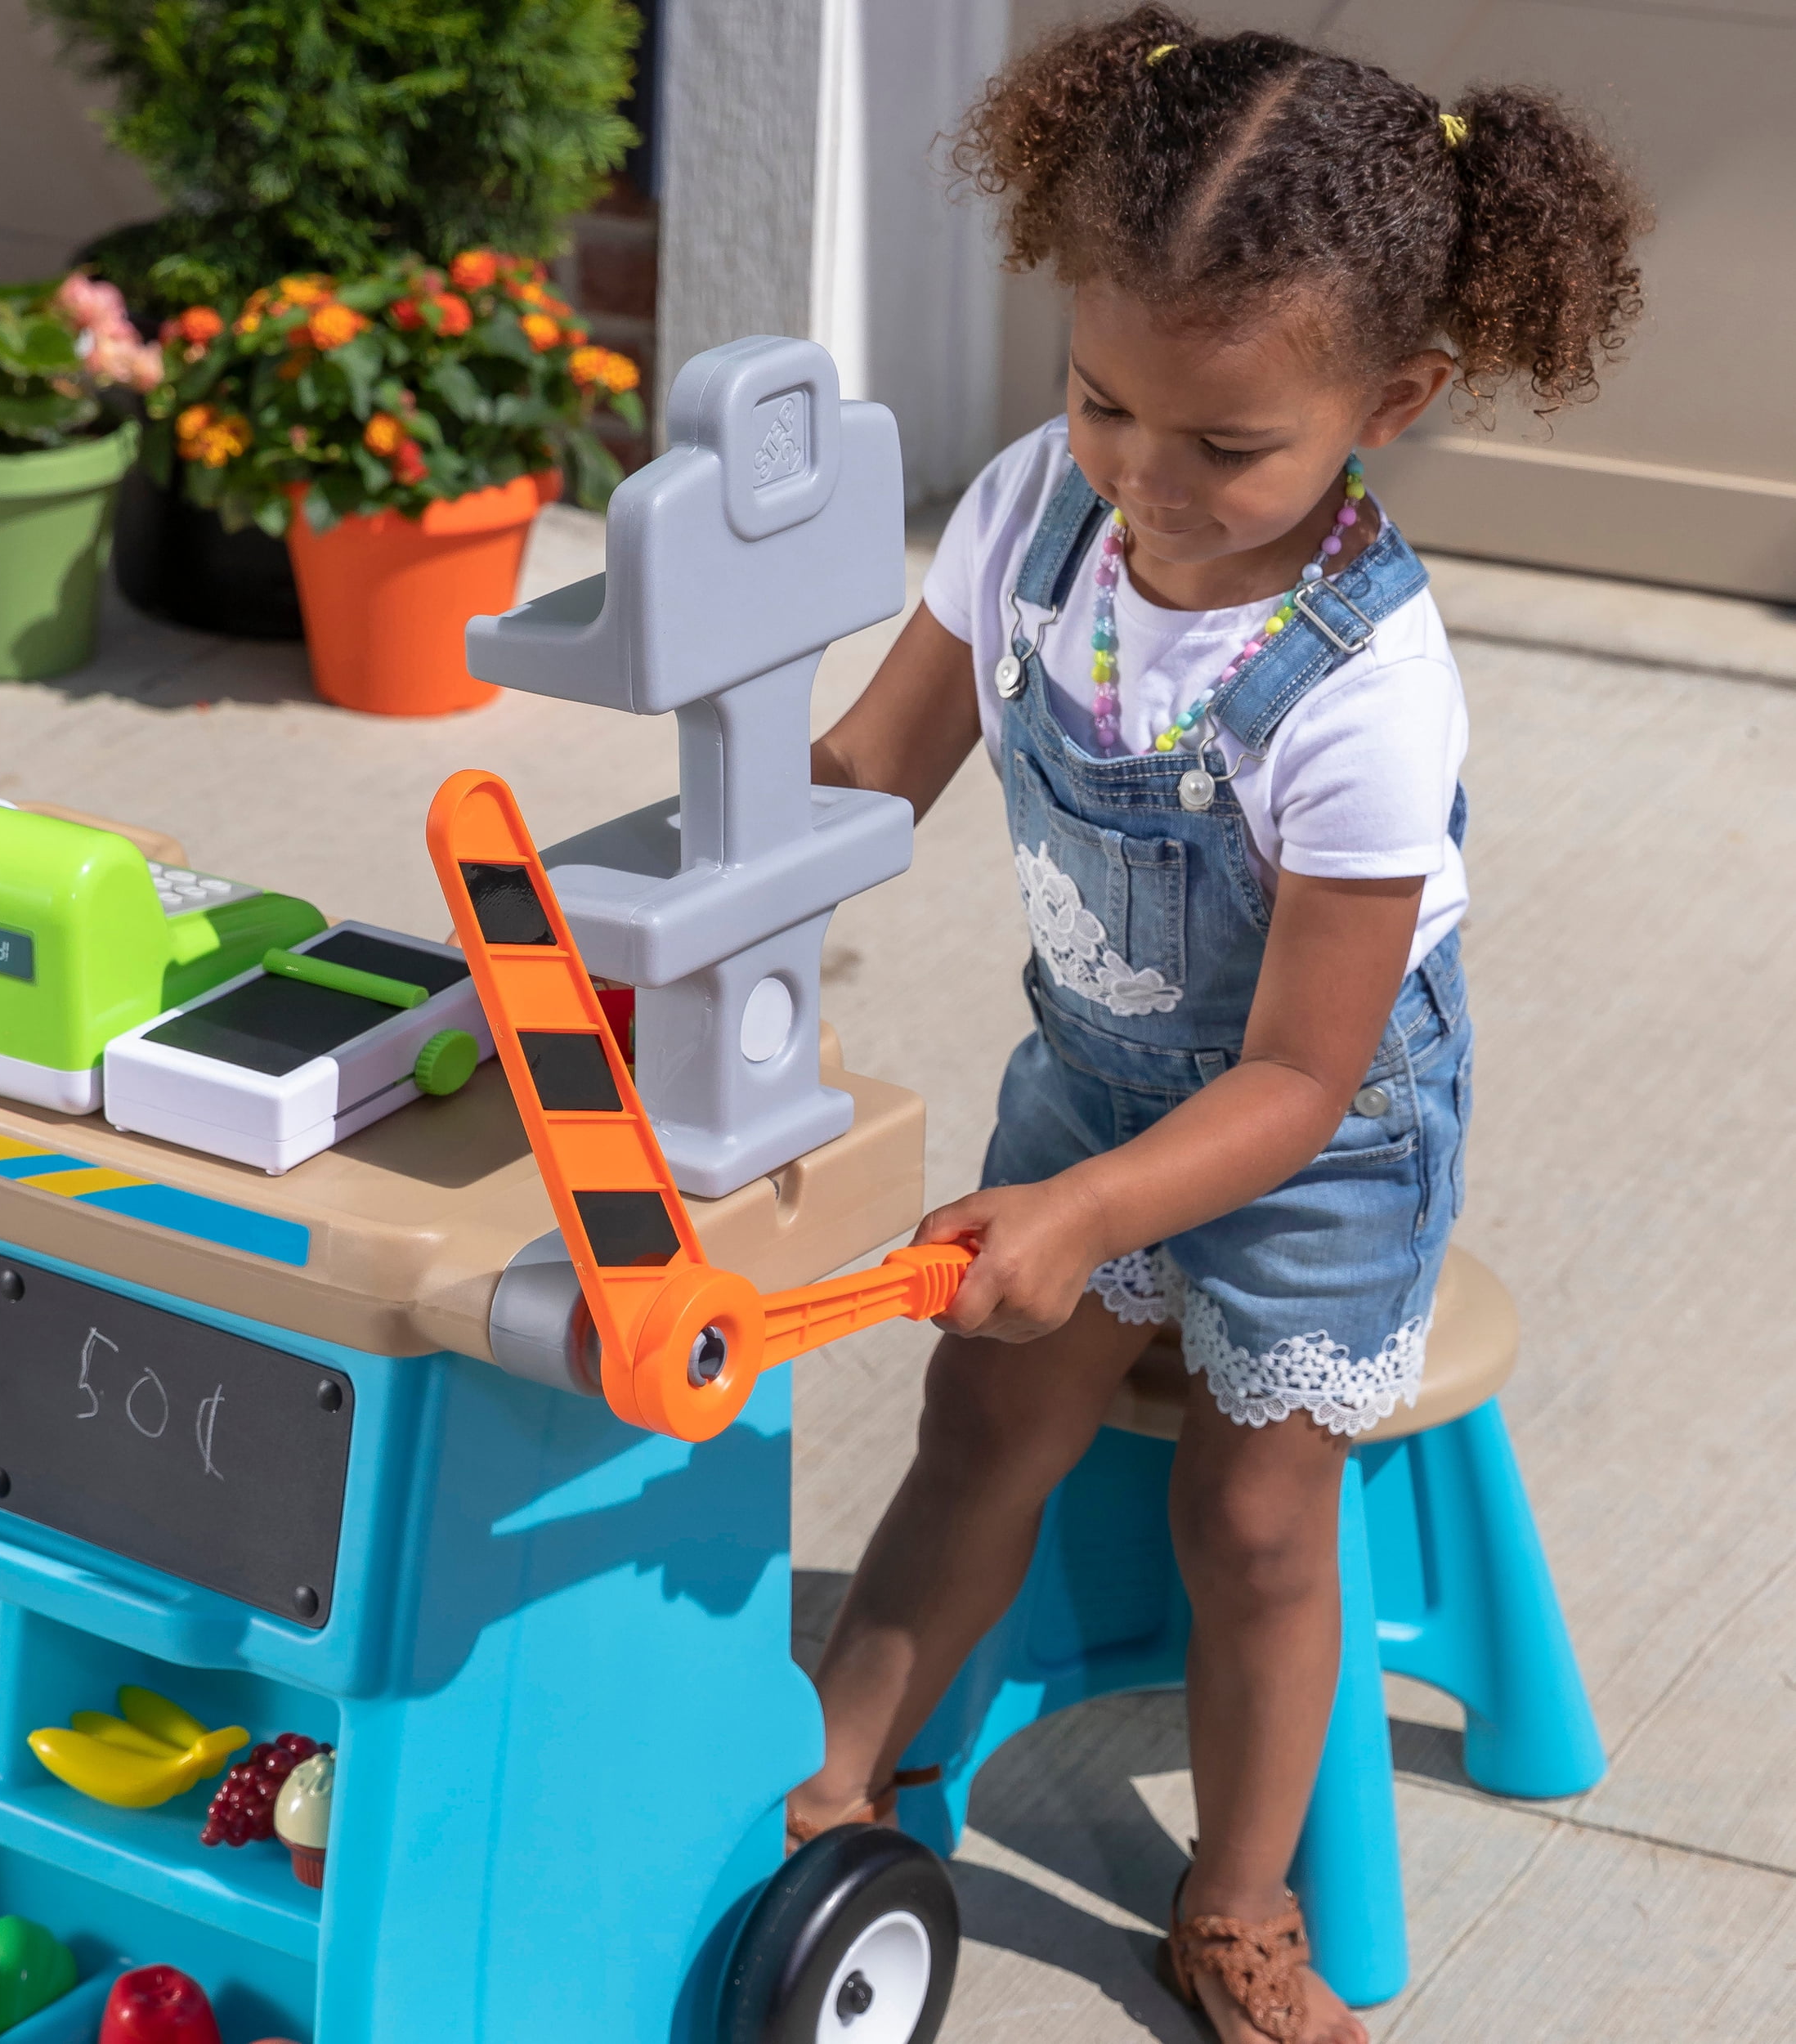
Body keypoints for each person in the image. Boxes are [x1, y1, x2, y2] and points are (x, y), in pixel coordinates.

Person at [795, 12, 1650, 2040]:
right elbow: (866, 771)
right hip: (1088, 1075)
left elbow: (1298, 1073)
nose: (1143, 480)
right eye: (1101, 400)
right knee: (977, 1424)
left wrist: (1094, 1216)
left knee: (1253, 1521)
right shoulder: (1027, 515)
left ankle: (1241, 1895)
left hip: (1316, 1148)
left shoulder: (1359, 685)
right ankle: (838, 1789)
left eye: (1225, 445)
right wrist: (703, 882)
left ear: (1394, 396)